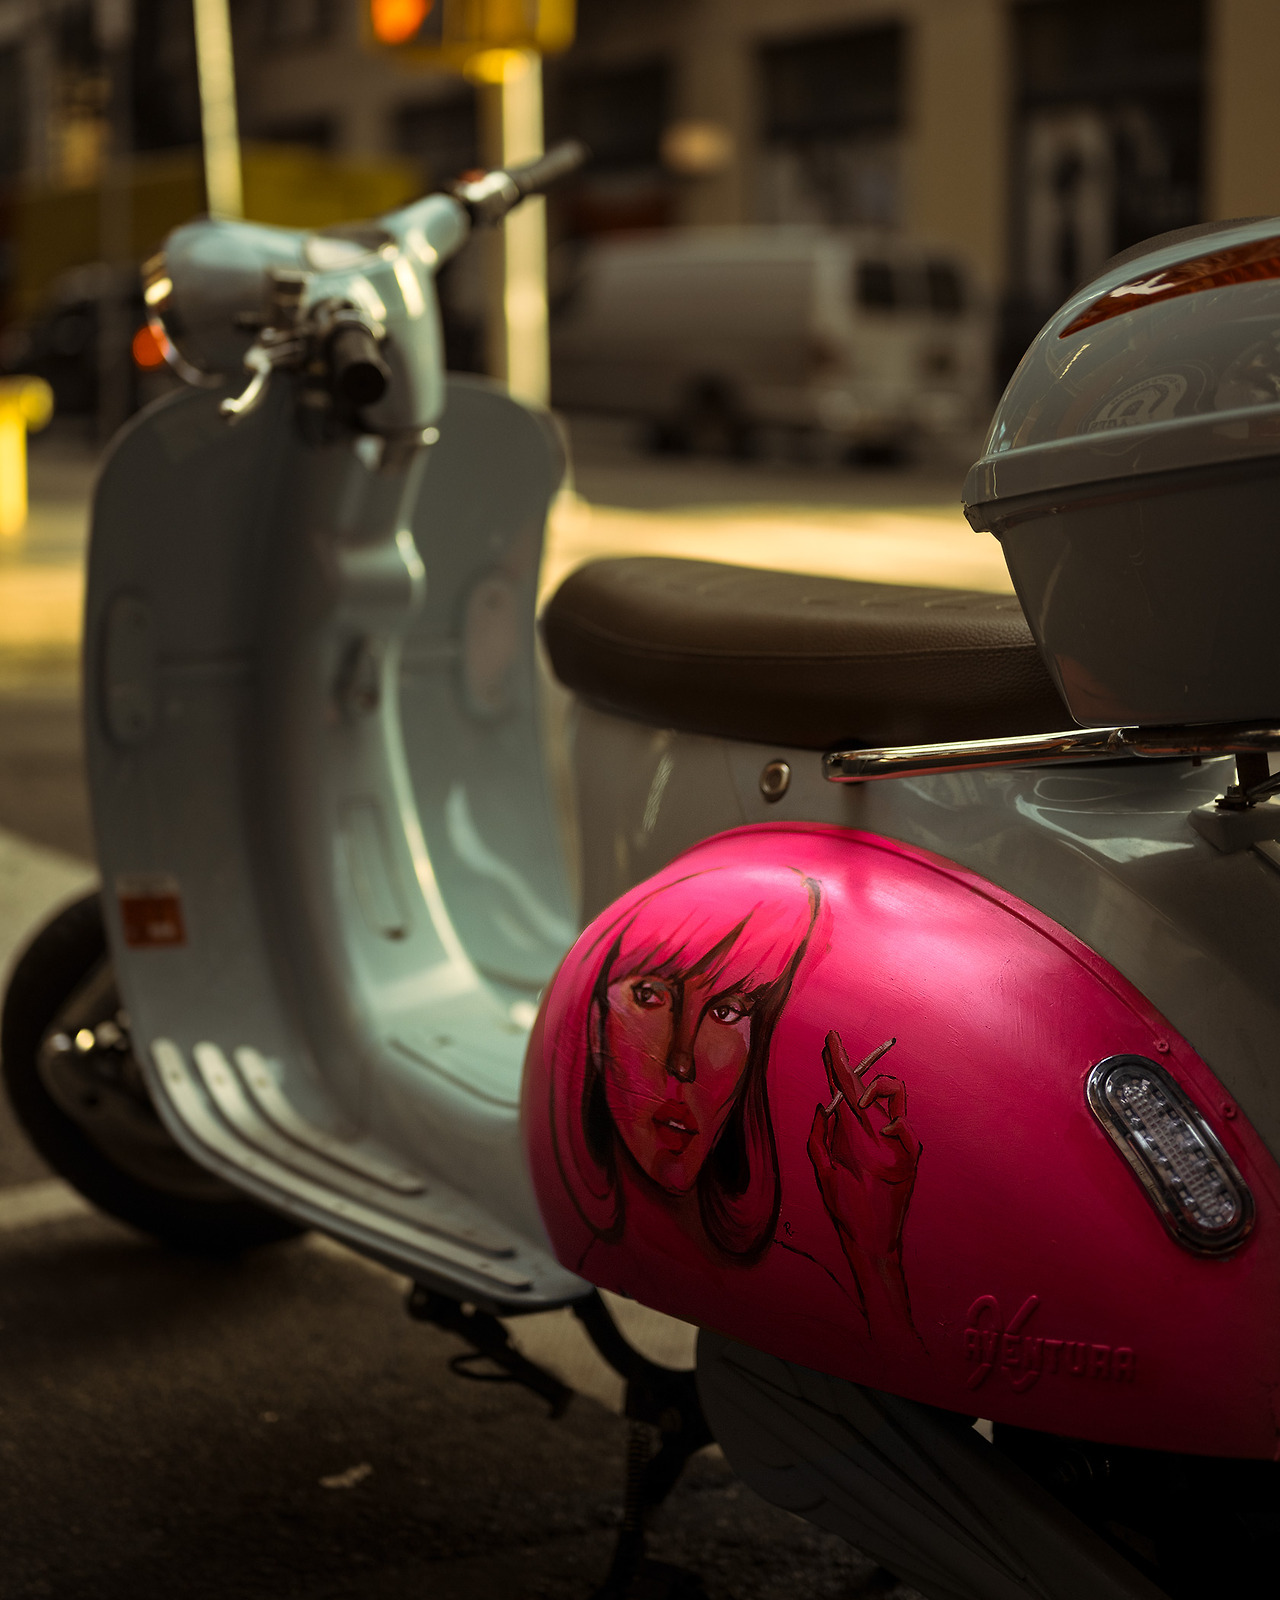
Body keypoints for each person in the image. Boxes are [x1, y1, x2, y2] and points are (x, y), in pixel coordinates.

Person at [547, 864, 921, 1337]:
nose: (682, 1062)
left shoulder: (810, 1292)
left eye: (727, 1010)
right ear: (596, 1016)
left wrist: (874, 1254)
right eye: (650, 996)